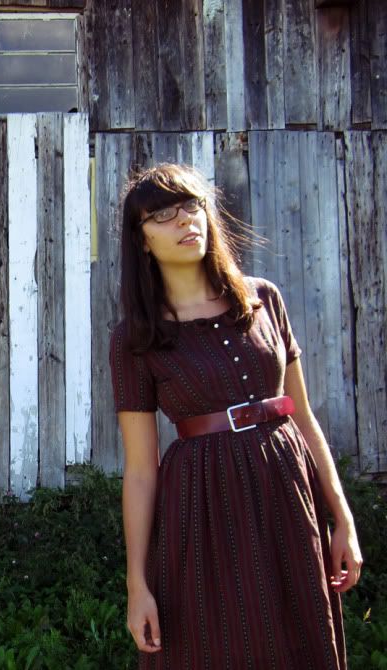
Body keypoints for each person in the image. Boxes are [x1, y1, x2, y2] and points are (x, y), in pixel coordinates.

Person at [109, 163, 362, 669]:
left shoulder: (262, 300)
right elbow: (140, 471)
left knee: (299, 636)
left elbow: (305, 418)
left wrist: (343, 518)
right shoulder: (135, 340)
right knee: (215, 643)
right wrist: (137, 583)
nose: (184, 221)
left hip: (286, 493)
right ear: (141, 240)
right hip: (201, 509)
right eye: (162, 215)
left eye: (191, 206)